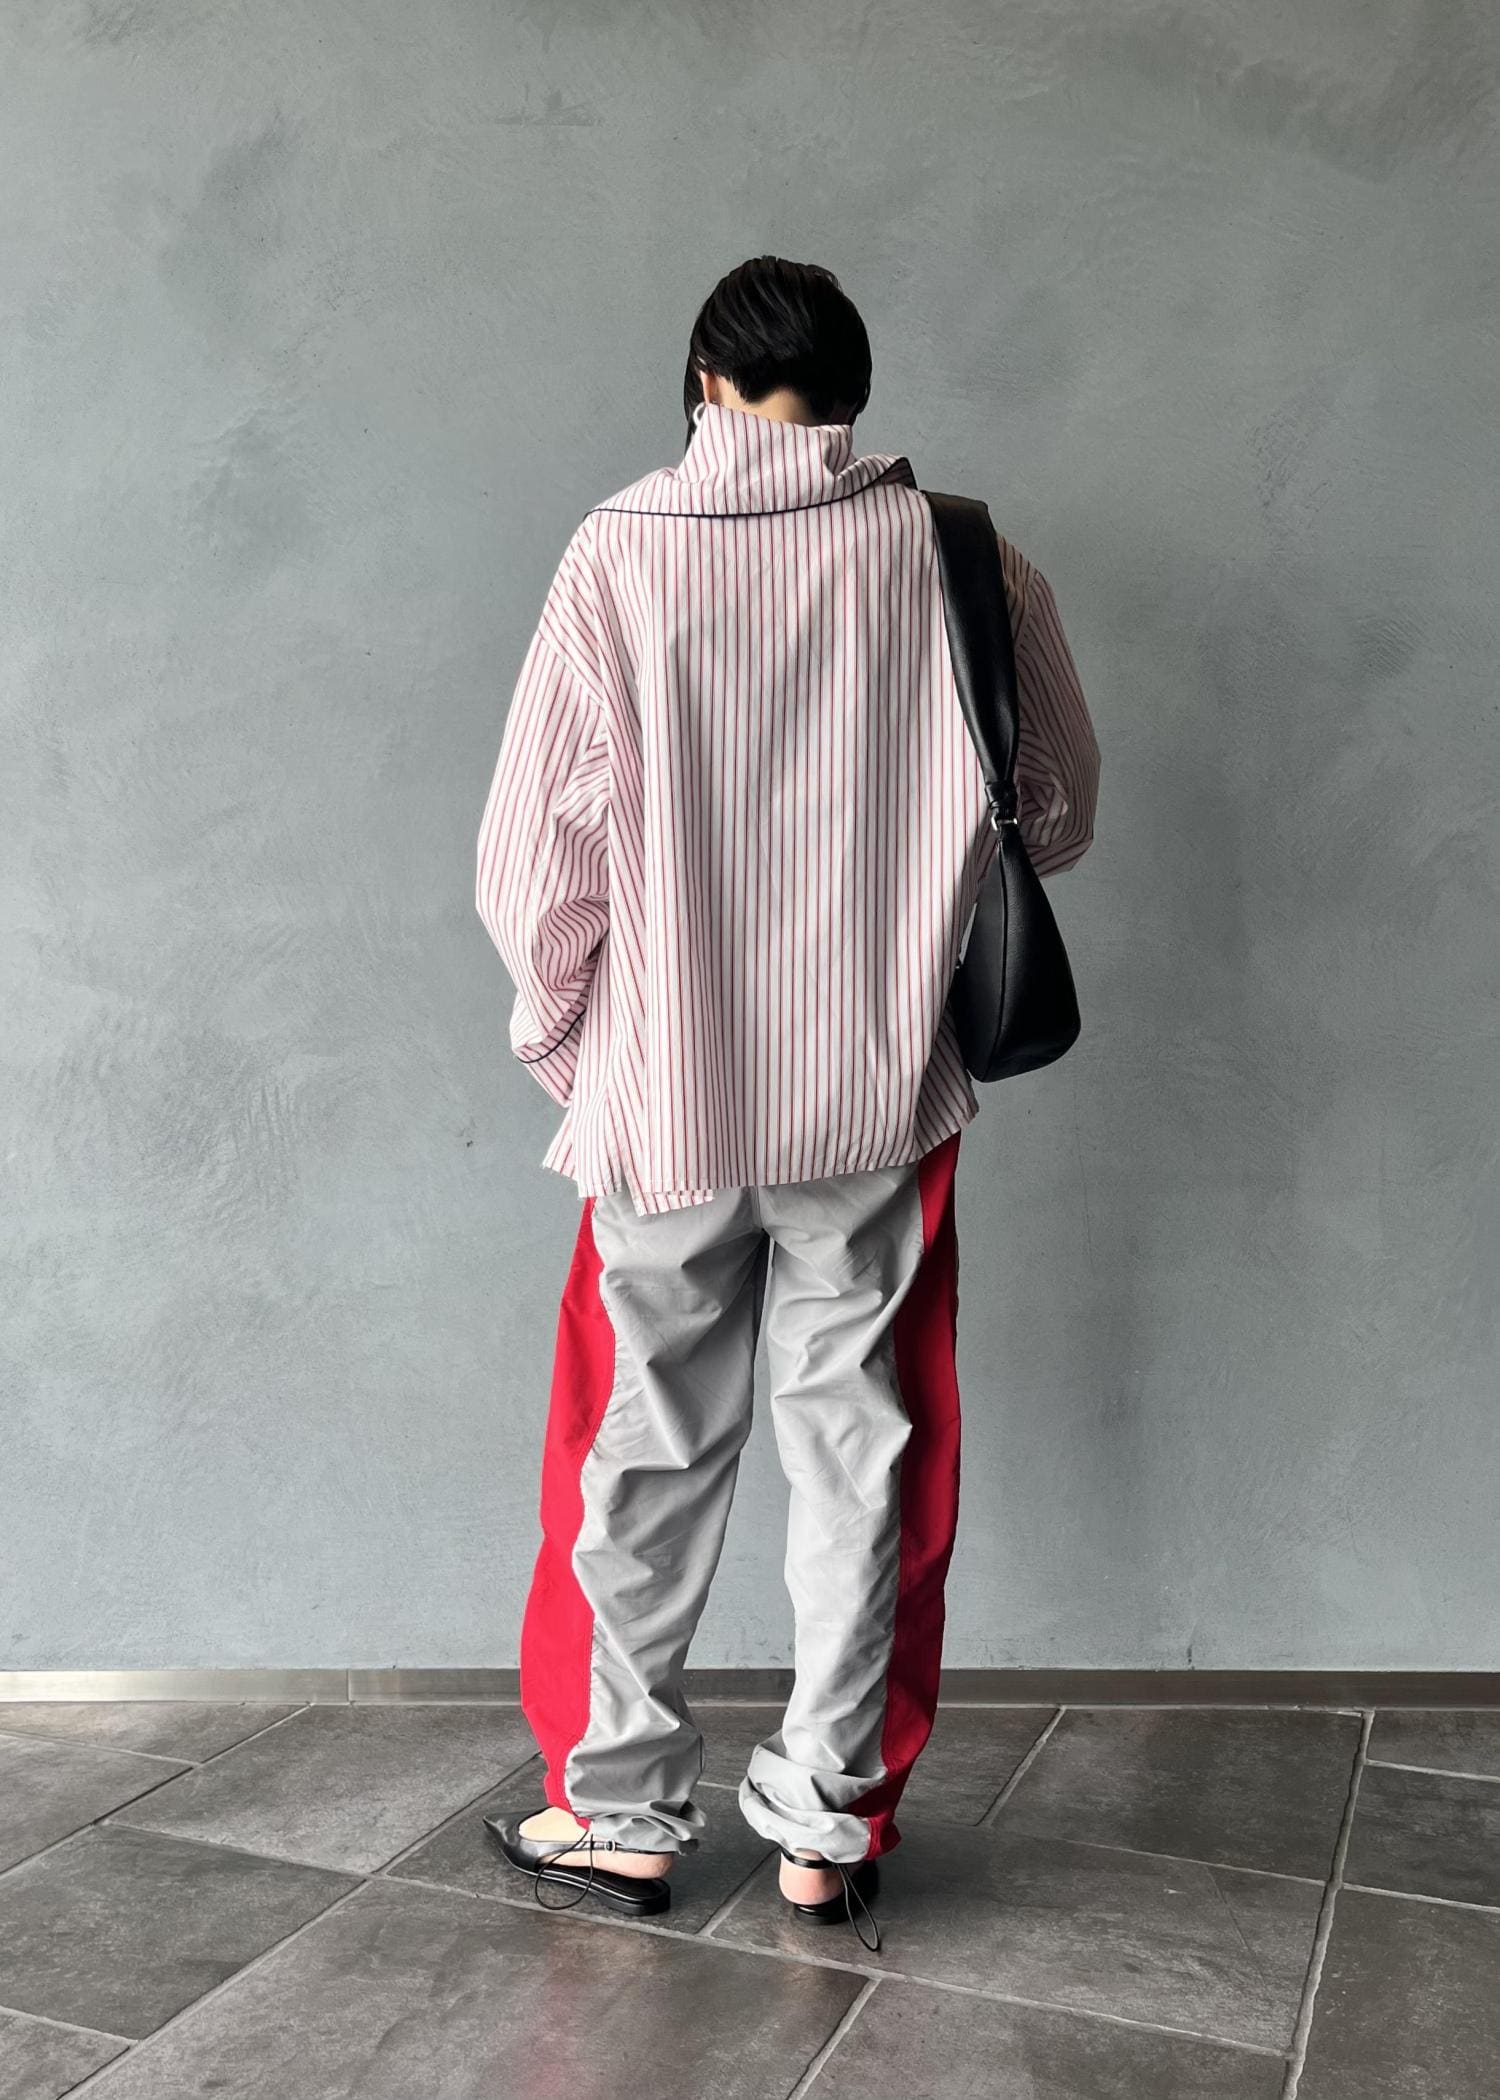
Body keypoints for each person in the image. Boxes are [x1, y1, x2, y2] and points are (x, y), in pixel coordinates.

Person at [475, 255, 1099, 1939]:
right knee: (864, 1450)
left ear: (703, 381)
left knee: (640, 1449)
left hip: (666, 1096)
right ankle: (829, 1825)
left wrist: (571, 1045)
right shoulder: (964, 554)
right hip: (876, 1095)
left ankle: (618, 1815)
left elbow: (530, 870)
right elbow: (1056, 808)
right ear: (853, 388)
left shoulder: (618, 552)